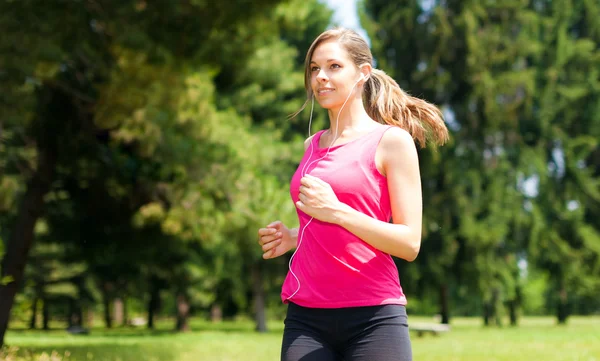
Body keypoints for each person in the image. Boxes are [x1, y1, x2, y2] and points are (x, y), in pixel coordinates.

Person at [257, 27, 449, 361]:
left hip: (373, 316)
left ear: (362, 73)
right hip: (307, 317)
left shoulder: (391, 142)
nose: (321, 77)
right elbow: (323, 220)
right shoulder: (311, 145)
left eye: (333, 67)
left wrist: (337, 212)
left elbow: (409, 243)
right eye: (314, 69)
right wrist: (294, 236)